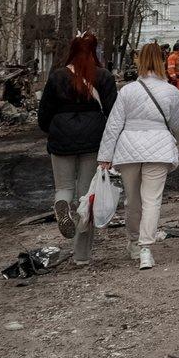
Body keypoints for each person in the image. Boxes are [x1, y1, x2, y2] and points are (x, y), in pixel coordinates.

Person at [97, 42, 179, 270]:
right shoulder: (171, 91)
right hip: (158, 149)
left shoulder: (127, 90)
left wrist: (105, 155)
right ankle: (146, 249)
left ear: (139, 61)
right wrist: (171, 137)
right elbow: (178, 125)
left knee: (133, 200)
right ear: (161, 60)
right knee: (152, 200)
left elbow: (114, 125)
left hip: (128, 149)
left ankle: (133, 242)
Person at [36, 32, 117, 266]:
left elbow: (44, 115)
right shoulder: (103, 77)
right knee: (87, 195)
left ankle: (62, 206)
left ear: (71, 50)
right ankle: (81, 255)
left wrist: (53, 129)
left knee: (63, 187)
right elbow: (113, 113)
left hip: (61, 138)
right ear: (95, 51)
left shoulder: (57, 77)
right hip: (93, 139)